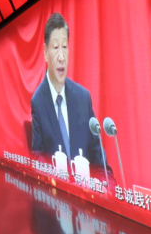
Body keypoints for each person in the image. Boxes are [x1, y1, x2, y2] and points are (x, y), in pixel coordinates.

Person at [30, 13, 106, 166]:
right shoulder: (38, 101)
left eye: (64, 47)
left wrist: (106, 179)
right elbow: (37, 159)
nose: (61, 57)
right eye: (55, 47)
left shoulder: (83, 98)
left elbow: (100, 159)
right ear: (45, 52)